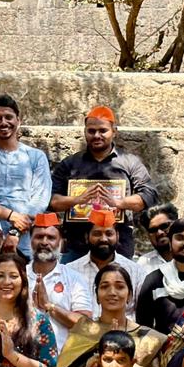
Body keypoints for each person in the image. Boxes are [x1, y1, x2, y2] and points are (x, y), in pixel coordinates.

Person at [49, 105, 158, 261]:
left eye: (103, 130)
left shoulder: (130, 162)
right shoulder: (70, 163)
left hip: (118, 244)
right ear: (85, 131)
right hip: (77, 245)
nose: (97, 135)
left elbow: (149, 195)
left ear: (114, 132)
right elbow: (50, 200)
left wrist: (118, 203)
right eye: (91, 131)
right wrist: (77, 200)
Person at [0, 94, 52, 258]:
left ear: (18, 120)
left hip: (25, 239)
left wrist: (15, 232)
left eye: (9, 117)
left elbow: (40, 201)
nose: (3, 122)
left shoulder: (36, 157)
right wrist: (11, 216)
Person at [136, 217, 184, 334]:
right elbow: (143, 327)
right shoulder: (154, 281)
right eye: (179, 238)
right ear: (170, 244)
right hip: (165, 350)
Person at [64, 209, 144, 319]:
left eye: (109, 233)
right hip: (82, 334)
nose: (103, 239)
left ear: (117, 236)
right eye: (97, 234)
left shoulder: (135, 271)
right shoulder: (70, 271)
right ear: (87, 237)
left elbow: (143, 312)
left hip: (124, 333)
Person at [28, 212, 89, 350]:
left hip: (63, 361)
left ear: (61, 242)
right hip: (22, 359)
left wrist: (49, 306)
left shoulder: (74, 279)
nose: (44, 242)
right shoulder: (18, 275)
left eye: (51, 237)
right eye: (39, 237)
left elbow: (86, 326)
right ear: (30, 240)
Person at [135, 203, 178, 278]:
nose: (159, 233)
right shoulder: (143, 265)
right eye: (153, 230)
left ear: (177, 224)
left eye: (164, 226)